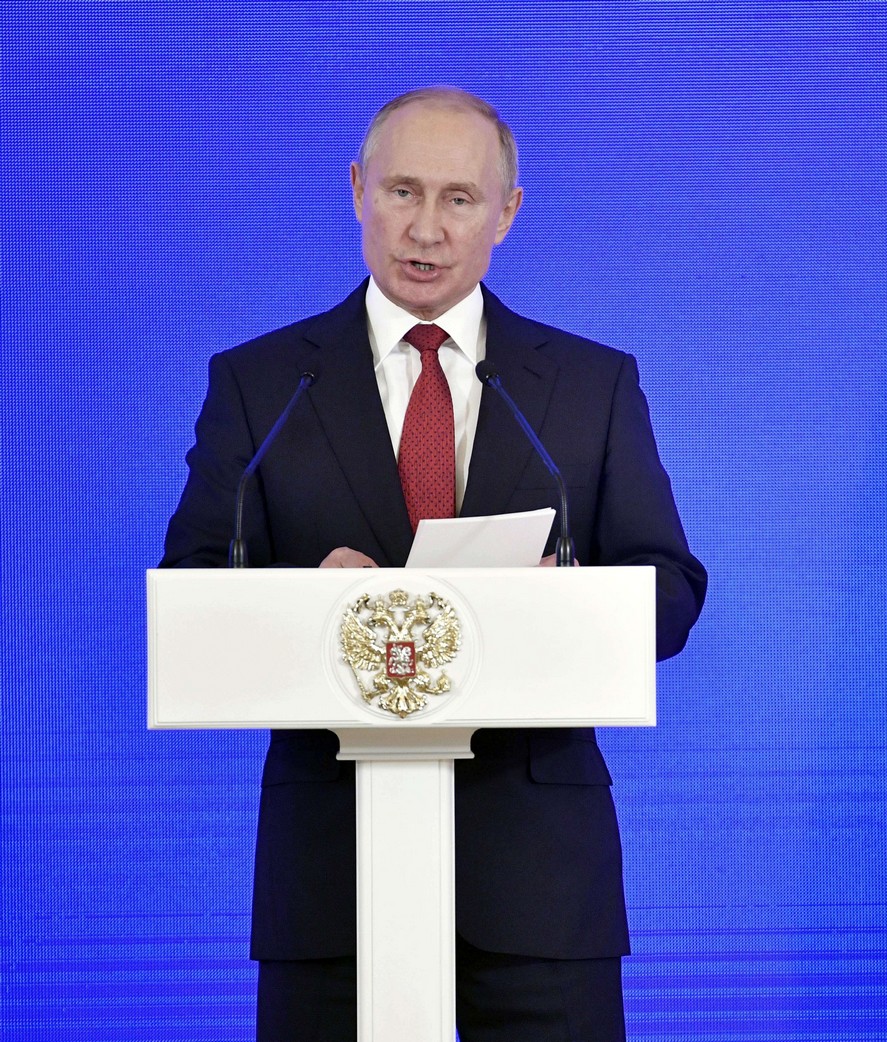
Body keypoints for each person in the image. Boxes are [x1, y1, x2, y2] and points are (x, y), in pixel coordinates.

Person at [161, 85, 707, 1041]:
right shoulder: (260, 382)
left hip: (539, 884)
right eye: (402, 191)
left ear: (507, 212)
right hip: (333, 876)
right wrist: (304, 604)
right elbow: (193, 588)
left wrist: (565, 605)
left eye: (459, 198)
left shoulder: (588, 384)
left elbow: (671, 592)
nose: (427, 227)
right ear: (357, 191)